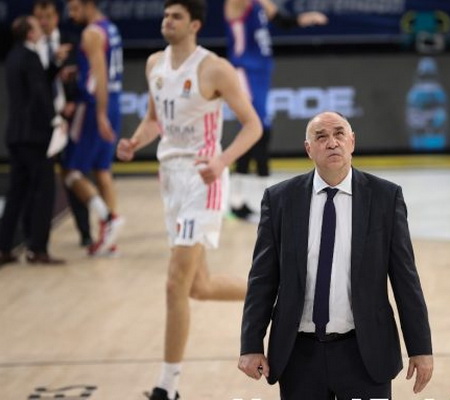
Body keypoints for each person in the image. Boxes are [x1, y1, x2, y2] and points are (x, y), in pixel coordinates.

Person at [116, 1, 262, 398]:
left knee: (174, 283)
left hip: (204, 179)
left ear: (195, 24)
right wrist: (135, 140)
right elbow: (153, 120)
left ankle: (168, 386)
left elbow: (253, 125)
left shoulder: (214, 68)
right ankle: (277, 291)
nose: (168, 21)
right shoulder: (153, 65)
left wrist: (221, 160)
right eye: (165, 15)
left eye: (176, 16)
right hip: (171, 180)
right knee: (199, 286)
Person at [238, 111, 433, 398]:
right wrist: (251, 344)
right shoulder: (280, 200)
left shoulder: (385, 197)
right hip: (299, 355)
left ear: (352, 141)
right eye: (321, 137)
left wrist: (420, 348)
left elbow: (406, 279)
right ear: (308, 149)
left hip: (364, 354)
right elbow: (262, 279)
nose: (332, 143)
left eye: (339, 134)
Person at [224, 0, 327, 221]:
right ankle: (265, 199)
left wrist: (305, 18)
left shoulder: (261, 4)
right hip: (245, 71)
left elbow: (283, 21)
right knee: (258, 129)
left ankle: (238, 200)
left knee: (258, 131)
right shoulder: (238, 3)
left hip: (261, 71)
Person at [0, 15, 67, 265]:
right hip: (35, 136)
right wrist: (55, 120)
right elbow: (40, 93)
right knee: (44, 191)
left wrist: (56, 65)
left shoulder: (13, 57)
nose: (41, 30)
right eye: (37, 27)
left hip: (16, 135)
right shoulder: (30, 58)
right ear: (29, 33)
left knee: (16, 192)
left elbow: (36, 84)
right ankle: (37, 249)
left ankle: (4, 248)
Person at [62, 0, 124, 256]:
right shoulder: (110, 27)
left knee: (70, 171)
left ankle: (108, 217)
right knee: (102, 169)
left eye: (76, 8)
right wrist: (78, 69)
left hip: (93, 106)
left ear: (89, 4)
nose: (72, 13)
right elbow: (103, 67)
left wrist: (99, 114)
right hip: (115, 102)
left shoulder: (90, 33)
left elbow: (99, 75)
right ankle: (109, 240)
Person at [33, 0, 93, 248]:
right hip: (41, 122)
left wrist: (72, 100)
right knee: (41, 181)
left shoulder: (72, 40)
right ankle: (36, 237)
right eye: (39, 17)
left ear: (57, 17)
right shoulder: (30, 45)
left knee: (74, 174)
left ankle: (86, 233)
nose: (44, 22)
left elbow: (85, 75)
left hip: (69, 120)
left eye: (48, 16)